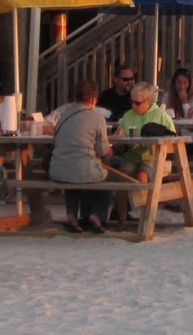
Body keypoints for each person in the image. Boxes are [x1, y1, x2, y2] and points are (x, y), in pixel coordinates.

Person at [48, 79, 115, 233]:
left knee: (73, 171)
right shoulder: (97, 118)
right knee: (108, 174)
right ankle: (97, 214)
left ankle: (71, 212)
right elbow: (103, 152)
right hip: (82, 169)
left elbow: (56, 141)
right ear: (93, 99)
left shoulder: (63, 116)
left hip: (58, 169)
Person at [116, 81, 179, 188]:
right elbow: (118, 139)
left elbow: (174, 139)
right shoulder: (128, 115)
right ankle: (121, 205)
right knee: (122, 176)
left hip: (154, 157)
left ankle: (144, 204)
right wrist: (118, 137)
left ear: (148, 101)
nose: (133, 105)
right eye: (131, 101)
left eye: (137, 103)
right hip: (133, 156)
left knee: (142, 176)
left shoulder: (161, 116)